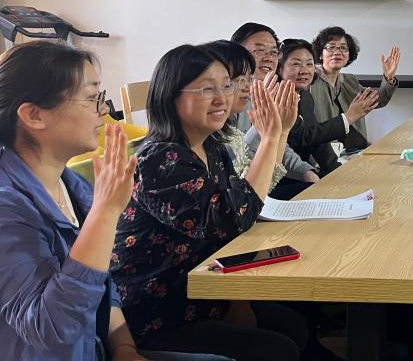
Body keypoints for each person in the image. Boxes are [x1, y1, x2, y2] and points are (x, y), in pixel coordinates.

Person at [0, 41, 230, 361]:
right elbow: (50, 331)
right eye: (91, 97)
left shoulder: (72, 185)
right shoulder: (8, 208)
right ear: (34, 115)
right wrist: (105, 213)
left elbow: (104, 284)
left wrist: (124, 348)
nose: (104, 109)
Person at [111, 44, 308, 361]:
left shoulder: (211, 146)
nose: (222, 98)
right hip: (156, 312)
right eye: (206, 89)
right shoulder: (161, 159)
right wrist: (271, 136)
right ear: (171, 96)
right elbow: (234, 217)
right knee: (278, 348)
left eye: (226, 86)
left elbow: (235, 224)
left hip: (204, 291)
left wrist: (237, 302)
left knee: (293, 324)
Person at [231, 23, 319, 187]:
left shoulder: (271, 92)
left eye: (273, 52)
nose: (268, 58)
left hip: (267, 182)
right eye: (259, 51)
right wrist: (262, 123)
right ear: (236, 54)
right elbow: (235, 162)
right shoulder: (228, 99)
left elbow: (279, 144)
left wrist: (306, 171)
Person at [268, 39, 365, 178]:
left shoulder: (305, 96)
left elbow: (317, 143)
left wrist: (337, 171)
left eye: (309, 64)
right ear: (279, 68)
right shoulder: (274, 98)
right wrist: (348, 118)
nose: (304, 71)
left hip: (305, 172)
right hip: (281, 176)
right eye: (296, 64)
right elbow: (302, 137)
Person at [203, 40, 289, 194]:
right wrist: (269, 133)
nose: (247, 87)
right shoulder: (202, 138)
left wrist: (282, 131)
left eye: (249, 79)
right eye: (239, 80)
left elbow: (257, 189)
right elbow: (244, 196)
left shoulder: (231, 133)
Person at [308, 26, 399, 156]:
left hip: (353, 150)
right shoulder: (310, 80)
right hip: (322, 155)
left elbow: (378, 100)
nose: (337, 52)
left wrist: (388, 77)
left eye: (343, 48)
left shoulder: (350, 80)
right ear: (320, 54)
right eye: (331, 47)